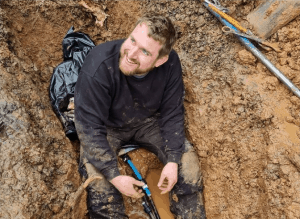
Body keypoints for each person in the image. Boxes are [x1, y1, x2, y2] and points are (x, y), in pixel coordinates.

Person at [74, 12, 206, 219]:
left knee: (186, 165)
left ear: (160, 60)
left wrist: (172, 160)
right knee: (100, 185)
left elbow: (172, 112)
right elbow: (88, 126)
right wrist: (115, 177)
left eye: (144, 51)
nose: (131, 53)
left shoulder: (170, 64)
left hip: (148, 122)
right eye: (132, 40)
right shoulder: (99, 65)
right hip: (106, 126)